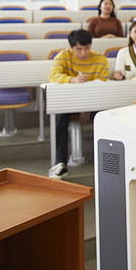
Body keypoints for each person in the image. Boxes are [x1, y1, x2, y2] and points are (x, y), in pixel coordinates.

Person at [47, 29, 109, 180]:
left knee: (106, 118)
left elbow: (103, 83)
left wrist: (86, 106)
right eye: (78, 49)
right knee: (60, 118)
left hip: (94, 101)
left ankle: (106, 162)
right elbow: (52, 76)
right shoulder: (63, 56)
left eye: (87, 48)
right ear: (71, 48)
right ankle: (60, 163)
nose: (83, 53)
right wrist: (71, 79)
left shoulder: (100, 59)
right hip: (69, 101)